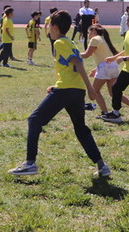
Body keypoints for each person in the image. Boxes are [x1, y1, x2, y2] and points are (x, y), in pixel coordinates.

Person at [8, 10, 110, 178]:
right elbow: (72, 68)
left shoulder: (59, 43)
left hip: (68, 89)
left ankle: (30, 163)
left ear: (55, 27)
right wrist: (57, 86)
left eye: (49, 26)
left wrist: (91, 88)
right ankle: (101, 165)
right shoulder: (70, 42)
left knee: (34, 120)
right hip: (75, 90)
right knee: (80, 128)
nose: (48, 29)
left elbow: (77, 62)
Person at [82, 23, 129, 117]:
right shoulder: (103, 39)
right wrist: (96, 69)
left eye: (88, 32)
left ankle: (105, 113)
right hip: (113, 66)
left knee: (95, 91)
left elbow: (86, 55)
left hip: (104, 68)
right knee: (113, 93)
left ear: (94, 31)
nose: (88, 35)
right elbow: (105, 57)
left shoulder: (94, 39)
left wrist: (72, 54)